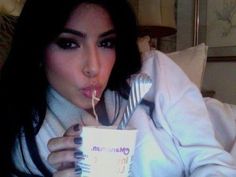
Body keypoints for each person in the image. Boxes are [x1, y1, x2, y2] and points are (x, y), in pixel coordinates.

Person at [0, 0, 236, 176]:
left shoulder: (152, 73)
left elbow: (212, 162)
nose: (93, 67)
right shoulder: (28, 146)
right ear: (38, 50)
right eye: (69, 43)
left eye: (106, 43)